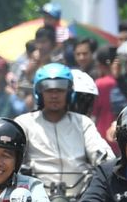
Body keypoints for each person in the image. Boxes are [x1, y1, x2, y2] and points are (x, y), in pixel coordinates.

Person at [15, 63, 115, 195]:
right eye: (48, 90)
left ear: (69, 92)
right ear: (39, 92)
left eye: (60, 90)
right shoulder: (24, 123)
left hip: (79, 198)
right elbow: (12, 158)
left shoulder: (82, 122)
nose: (54, 95)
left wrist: (108, 165)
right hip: (35, 199)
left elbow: (102, 155)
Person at [91, 45, 119, 152]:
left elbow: (93, 112)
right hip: (121, 136)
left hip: (102, 135)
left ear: (99, 65)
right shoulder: (124, 83)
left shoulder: (99, 84)